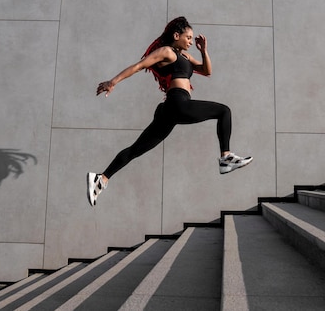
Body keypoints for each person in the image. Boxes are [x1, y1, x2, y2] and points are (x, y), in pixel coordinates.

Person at [88, 16, 252, 206]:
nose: (191, 41)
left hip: (169, 111)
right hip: (177, 103)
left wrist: (204, 51)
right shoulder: (167, 51)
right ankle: (226, 157)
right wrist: (113, 82)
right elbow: (140, 65)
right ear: (176, 35)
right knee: (224, 111)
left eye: (192, 38)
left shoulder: (184, 56)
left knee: (136, 149)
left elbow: (207, 71)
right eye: (188, 37)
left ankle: (101, 179)